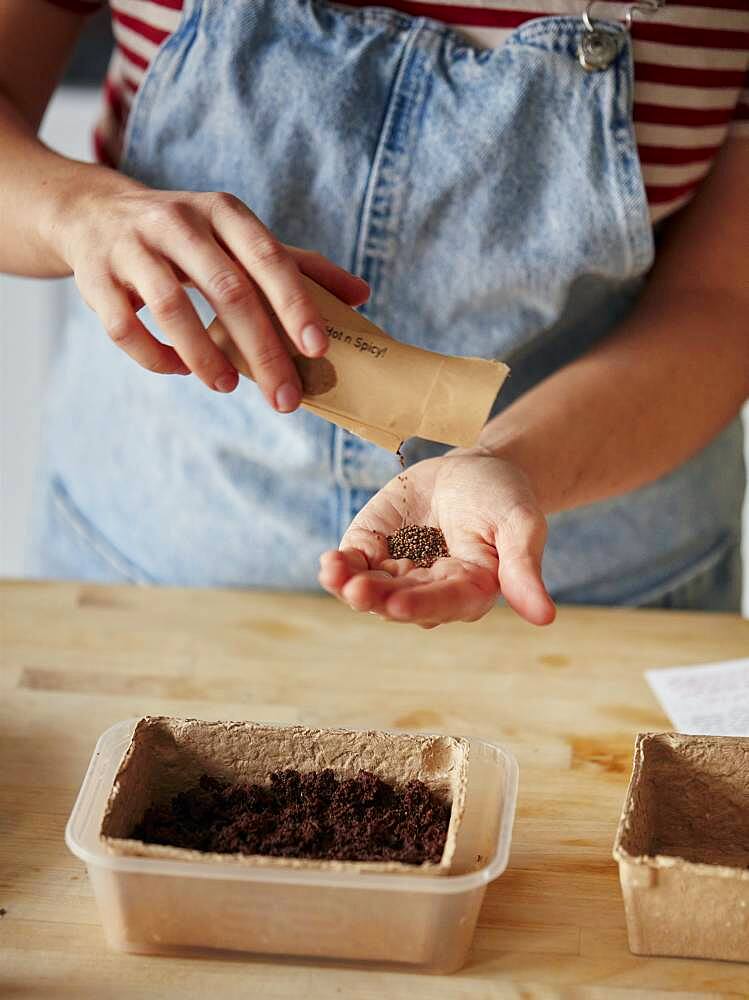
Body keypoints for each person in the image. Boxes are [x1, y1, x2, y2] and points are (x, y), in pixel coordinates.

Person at [1, 0, 747, 629]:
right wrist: (78, 209)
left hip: (584, 586)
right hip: (151, 558)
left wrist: (506, 465)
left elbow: (720, 303)